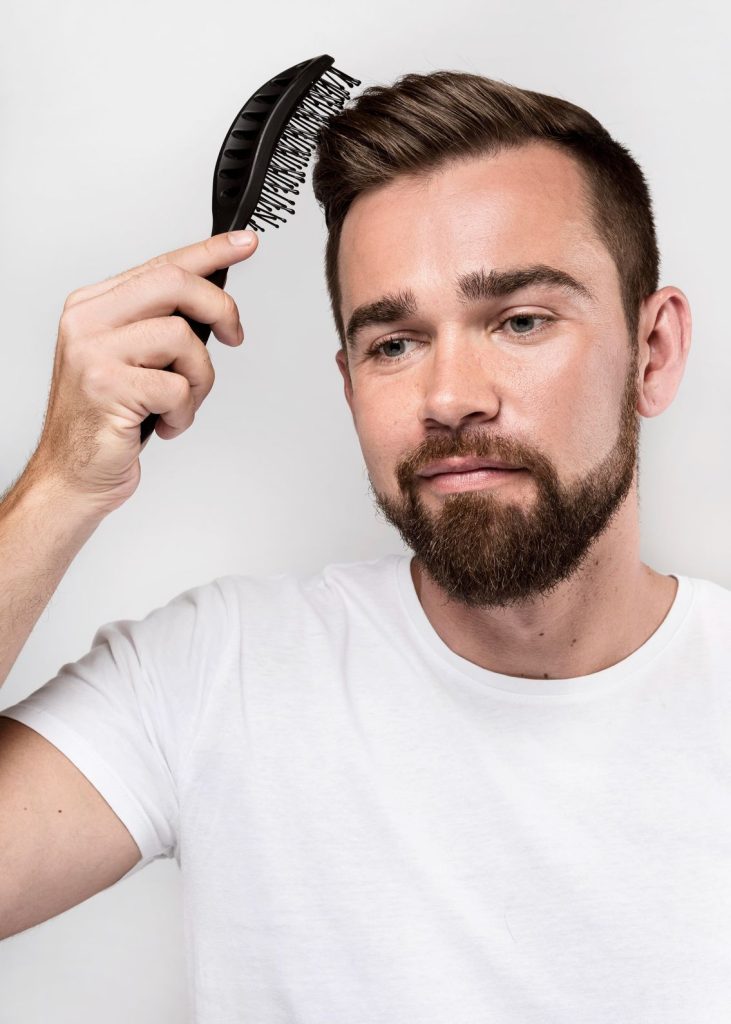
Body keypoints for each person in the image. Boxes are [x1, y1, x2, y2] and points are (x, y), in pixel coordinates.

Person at [0, 68, 729, 1022]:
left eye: (519, 321)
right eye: (394, 343)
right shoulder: (218, 673)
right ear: (349, 384)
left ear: (653, 351)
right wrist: (57, 487)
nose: (449, 395)